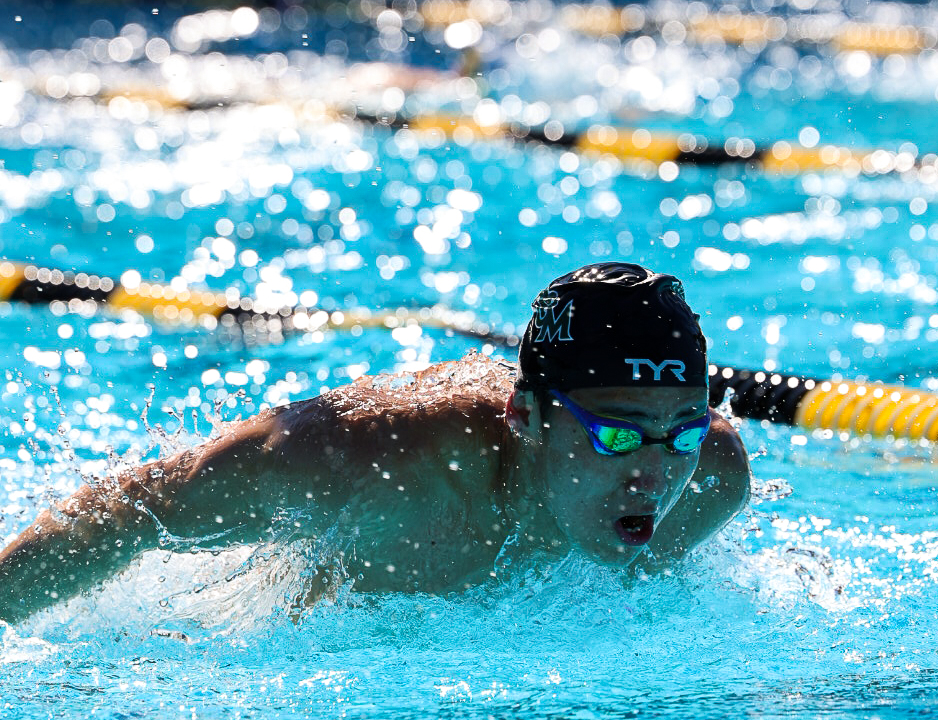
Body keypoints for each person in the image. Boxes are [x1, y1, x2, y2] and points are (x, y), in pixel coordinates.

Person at [0, 262, 749, 622]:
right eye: (617, 435)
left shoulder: (709, 482)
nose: (654, 474)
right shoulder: (368, 468)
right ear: (527, 417)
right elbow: (135, 508)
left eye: (679, 433)